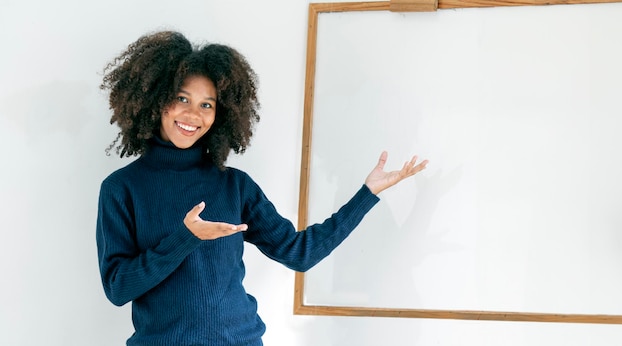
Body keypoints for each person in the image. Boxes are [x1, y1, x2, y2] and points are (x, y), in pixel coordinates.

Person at [96, 30, 428, 346]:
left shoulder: (234, 185)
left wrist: (366, 194)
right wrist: (187, 237)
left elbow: (300, 253)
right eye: (181, 98)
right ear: (155, 100)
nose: (192, 114)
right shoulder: (122, 189)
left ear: (221, 113)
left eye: (206, 104)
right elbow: (118, 288)